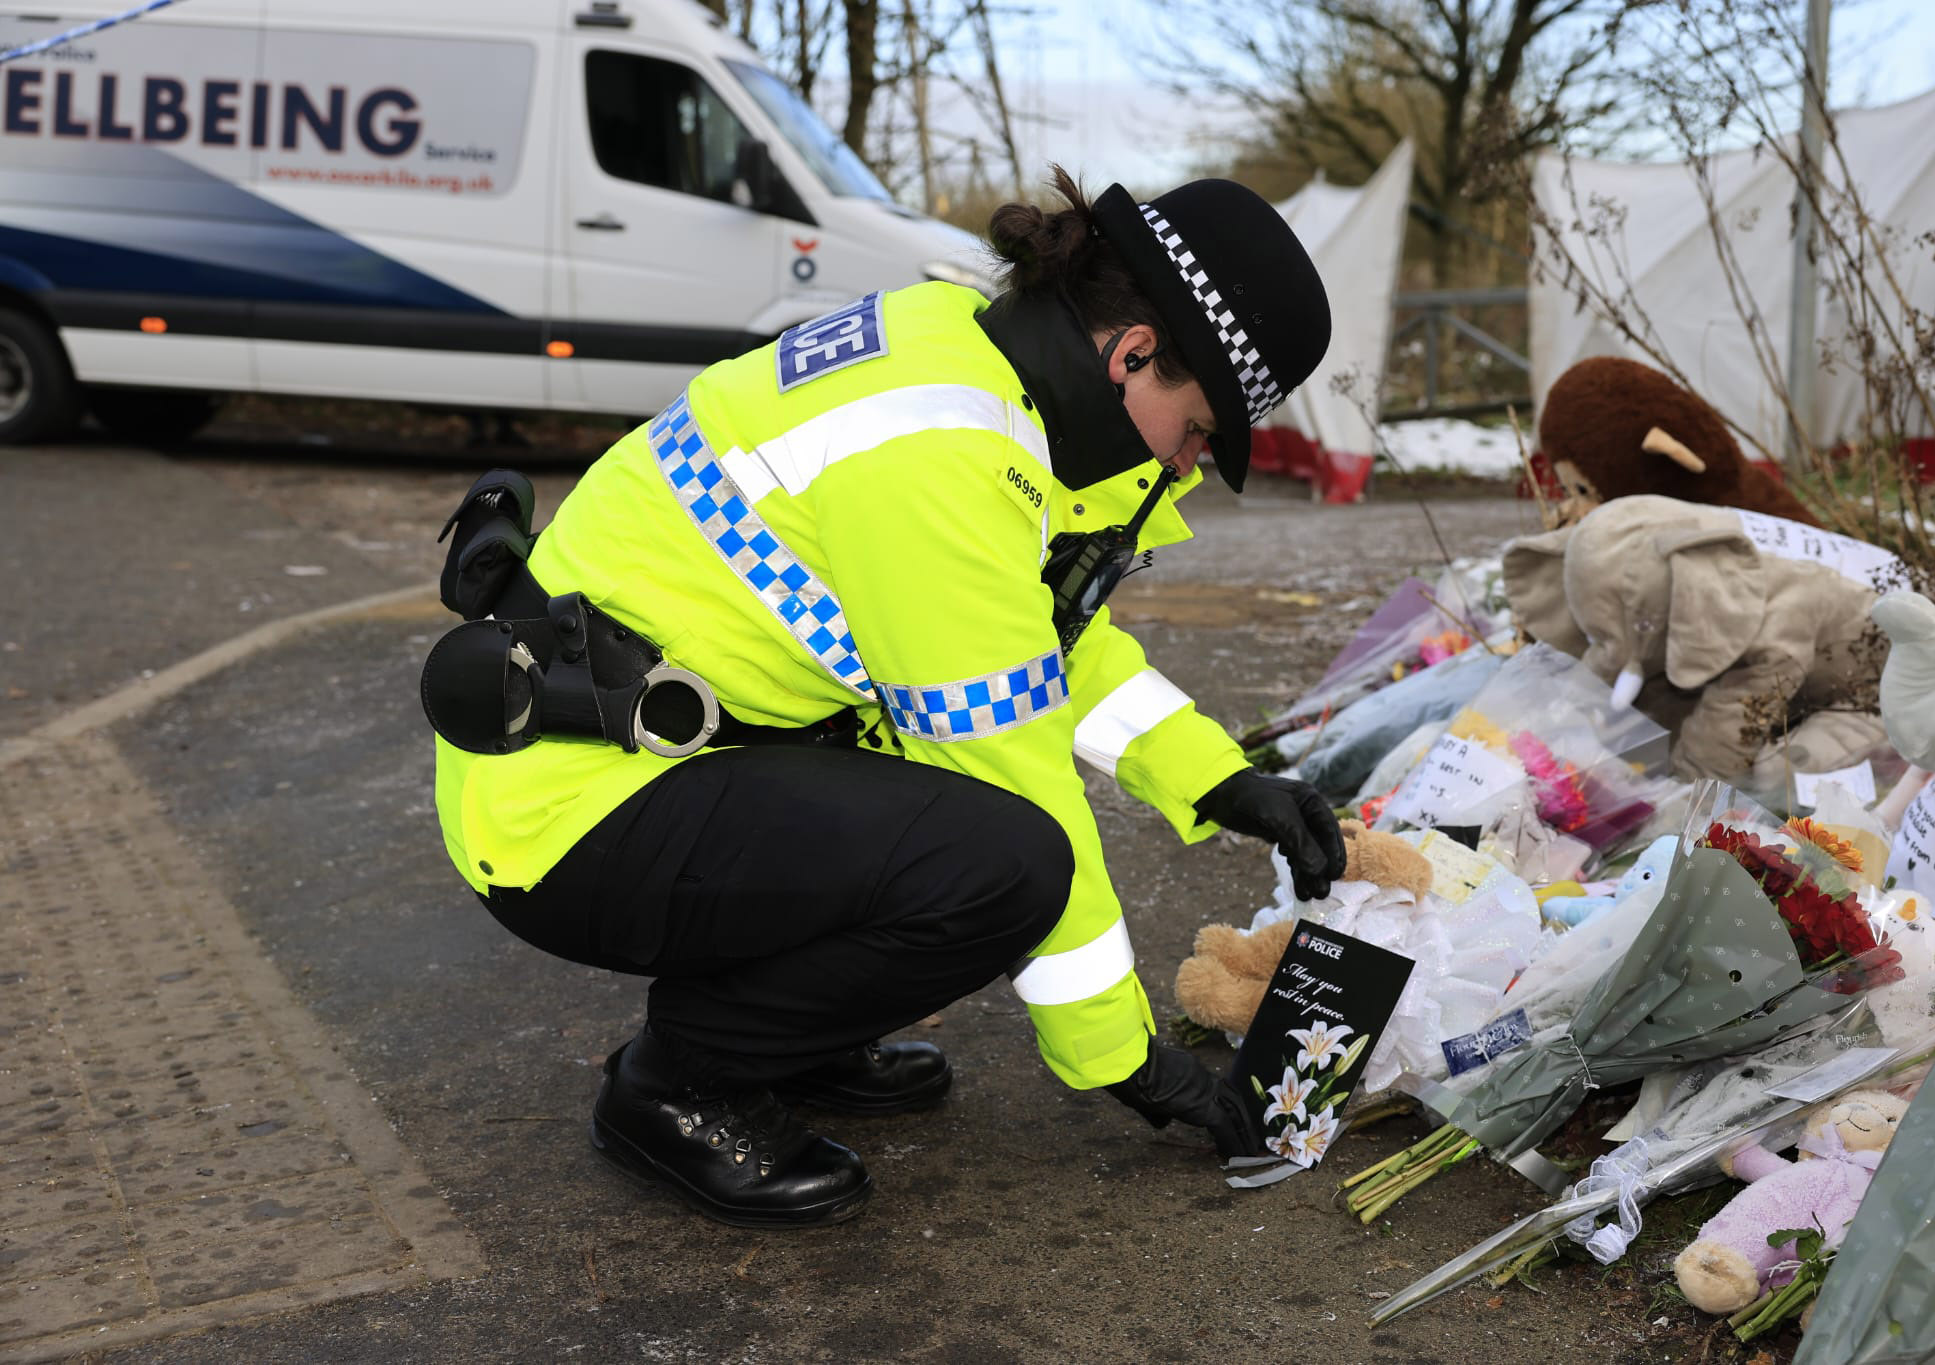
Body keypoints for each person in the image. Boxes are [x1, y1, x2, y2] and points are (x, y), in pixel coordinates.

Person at [428, 168, 1345, 1230]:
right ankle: (680, 1086)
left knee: (948, 830)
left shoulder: (962, 349)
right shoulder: (940, 453)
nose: (1185, 464)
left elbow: (1029, 647)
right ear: (1130, 351)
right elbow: (1012, 759)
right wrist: (1127, 1061)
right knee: (1005, 864)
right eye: (1195, 432)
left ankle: (792, 1036)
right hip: (571, 820)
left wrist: (1221, 780)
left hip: (637, 763)